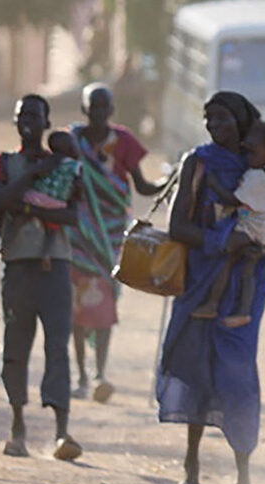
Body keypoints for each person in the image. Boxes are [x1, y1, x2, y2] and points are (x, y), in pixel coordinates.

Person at [159, 91, 265, 484]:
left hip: (243, 288)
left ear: (242, 122)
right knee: (197, 369)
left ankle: (243, 476)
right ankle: (191, 467)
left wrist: (253, 243)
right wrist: (220, 241)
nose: (214, 126)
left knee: (239, 374)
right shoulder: (198, 162)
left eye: (223, 119)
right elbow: (177, 226)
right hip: (201, 278)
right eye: (208, 118)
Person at [0, 94, 86, 462]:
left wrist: (21, 202)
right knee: (16, 347)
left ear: (46, 121)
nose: (28, 121)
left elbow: (74, 215)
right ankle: (17, 425)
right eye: (22, 115)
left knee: (58, 346)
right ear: (15, 120)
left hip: (55, 265)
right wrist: (34, 180)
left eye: (35, 115)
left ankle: (61, 431)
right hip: (18, 264)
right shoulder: (4, 163)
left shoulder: (65, 164)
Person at [68, 82, 158, 403]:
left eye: (104, 108)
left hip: (110, 236)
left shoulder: (124, 141)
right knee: (76, 308)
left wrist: (173, 179)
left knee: (103, 305)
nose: (98, 114)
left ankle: (99, 375)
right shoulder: (71, 141)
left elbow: (143, 186)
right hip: (77, 234)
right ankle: (79, 376)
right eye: (93, 108)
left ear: (112, 111)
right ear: (84, 110)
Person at [192, 121, 265, 329]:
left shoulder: (255, 177)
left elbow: (232, 200)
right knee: (248, 270)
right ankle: (243, 311)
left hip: (251, 229)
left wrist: (213, 184)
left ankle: (212, 303)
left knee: (225, 259)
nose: (247, 153)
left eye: (252, 151)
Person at [19, 131, 84, 210]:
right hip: (57, 203)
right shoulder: (76, 165)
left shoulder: (47, 160)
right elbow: (80, 186)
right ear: (72, 148)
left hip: (35, 197)